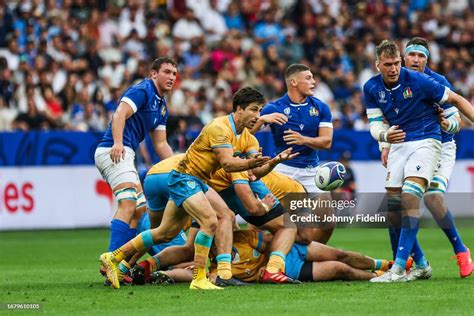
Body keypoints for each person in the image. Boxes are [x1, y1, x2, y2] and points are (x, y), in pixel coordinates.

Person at [100, 87, 272, 290]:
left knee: (165, 232)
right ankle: (200, 278)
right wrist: (251, 164)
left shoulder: (240, 134)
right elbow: (227, 164)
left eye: (260, 111)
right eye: (254, 109)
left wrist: (274, 161)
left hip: (196, 181)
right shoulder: (220, 127)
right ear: (239, 108)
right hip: (184, 178)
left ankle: (113, 257)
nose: (257, 116)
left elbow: (253, 168)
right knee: (210, 221)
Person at [364, 40, 473, 282]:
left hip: (440, 144)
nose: (415, 60)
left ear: (426, 59)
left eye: (419, 56)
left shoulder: (434, 82)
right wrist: (385, 143)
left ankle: (460, 251)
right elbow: (382, 118)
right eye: (411, 54)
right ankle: (419, 263)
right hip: (404, 142)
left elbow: (455, 118)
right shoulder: (375, 87)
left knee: (430, 198)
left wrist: (448, 124)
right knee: (394, 207)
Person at [94, 57, 176, 254]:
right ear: (154, 74)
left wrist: (178, 165)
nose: (171, 77)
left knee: (140, 211)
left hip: (125, 153)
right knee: (128, 204)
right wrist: (118, 142)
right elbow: (120, 113)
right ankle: (112, 261)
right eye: (166, 72)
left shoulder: (162, 106)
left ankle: (121, 264)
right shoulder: (143, 90)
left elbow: (161, 143)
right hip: (113, 150)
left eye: (174, 73)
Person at [251, 63, 335, 244]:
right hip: (282, 169)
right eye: (309, 78)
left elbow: (327, 141)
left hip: (311, 170)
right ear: (294, 82)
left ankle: (310, 258)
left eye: (313, 77)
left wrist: (304, 140)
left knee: (328, 221)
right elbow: (246, 133)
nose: (313, 82)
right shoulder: (274, 107)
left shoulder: (321, 108)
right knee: (263, 220)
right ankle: (258, 258)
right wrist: (263, 120)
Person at [145, 229, 390, 284]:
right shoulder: (216, 270)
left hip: (284, 254)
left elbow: (272, 240)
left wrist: (272, 259)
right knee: (339, 269)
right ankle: (375, 276)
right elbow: (191, 274)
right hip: (288, 272)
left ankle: (386, 265)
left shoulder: (240, 237)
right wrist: (165, 274)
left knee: (340, 253)